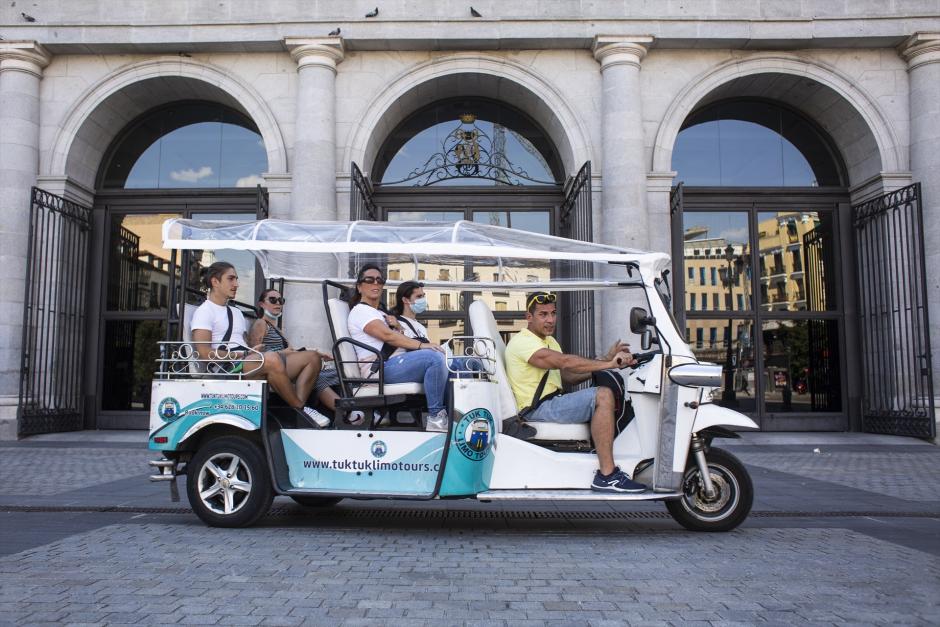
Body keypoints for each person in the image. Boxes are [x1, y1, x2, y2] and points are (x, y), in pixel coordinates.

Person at [504, 291, 647, 493]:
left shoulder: (550, 341)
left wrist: (607, 362)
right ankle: (607, 475)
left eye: (553, 313)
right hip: (536, 409)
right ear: (529, 317)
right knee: (602, 394)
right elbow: (565, 362)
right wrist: (607, 363)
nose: (551, 320)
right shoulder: (522, 342)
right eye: (543, 314)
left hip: (553, 402)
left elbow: (569, 376)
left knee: (603, 393)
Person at [190, 262, 330, 428]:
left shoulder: (235, 312)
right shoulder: (204, 312)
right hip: (225, 368)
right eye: (231, 279)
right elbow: (205, 354)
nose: (236, 284)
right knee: (270, 358)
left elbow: (244, 344)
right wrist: (242, 355)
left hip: (246, 362)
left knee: (312, 358)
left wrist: (250, 353)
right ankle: (300, 409)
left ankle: (296, 412)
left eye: (236, 279)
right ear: (215, 282)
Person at [346, 265, 450, 431]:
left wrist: (399, 328)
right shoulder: (361, 311)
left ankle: (455, 417)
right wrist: (422, 345)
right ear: (359, 286)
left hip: (395, 363)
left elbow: (393, 336)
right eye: (370, 280)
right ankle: (436, 418)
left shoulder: (380, 313)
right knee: (433, 358)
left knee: (455, 366)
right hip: (380, 368)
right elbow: (388, 337)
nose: (376, 283)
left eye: (380, 280)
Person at [248, 288, 354, 425]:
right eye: (273, 300)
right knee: (318, 378)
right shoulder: (260, 323)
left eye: (281, 300)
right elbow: (255, 355)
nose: (278, 303)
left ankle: (351, 409)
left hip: (285, 364)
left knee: (336, 373)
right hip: (275, 368)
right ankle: (345, 414)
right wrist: (283, 353)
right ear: (262, 304)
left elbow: (291, 351)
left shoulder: (277, 329)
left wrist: (315, 353)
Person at [391, 281, 482, 375]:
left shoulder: (421, 327)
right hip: (405, 366)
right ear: (405, 300)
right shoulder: (396, 323)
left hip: (425, 364)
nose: (423, 300)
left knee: (468, 362)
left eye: (423, 296)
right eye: (419, 296)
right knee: (459, 364)